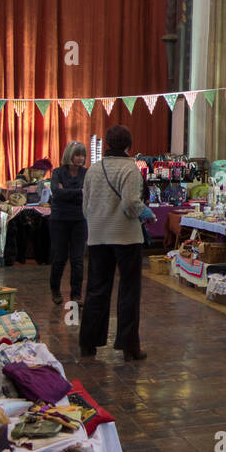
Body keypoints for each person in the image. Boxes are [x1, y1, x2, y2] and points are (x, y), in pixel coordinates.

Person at [80, 125, 151, 361]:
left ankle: (88, 343)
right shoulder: (130, 169)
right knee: (129, 291)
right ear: (128, 145)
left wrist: (98, 222)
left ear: (108, 144)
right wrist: (144, 212)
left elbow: (86, 204)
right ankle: (128, 346)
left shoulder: (94, 169)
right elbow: (131, 203)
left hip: (98, 236)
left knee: (96, 290)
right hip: (126, 236)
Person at [48, 141, 88, 305]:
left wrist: (66, 192)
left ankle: (76, 295)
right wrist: (78, 192)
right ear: (69, 155)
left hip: (79, 219)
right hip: (59, 220)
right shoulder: (58, 172)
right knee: (59, 257)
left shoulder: (86, 173)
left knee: (78, 259)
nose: (80, 158)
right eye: (77, 154)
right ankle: (55, 289)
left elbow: (88, 194)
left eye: (82, 155)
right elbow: (56, 193)